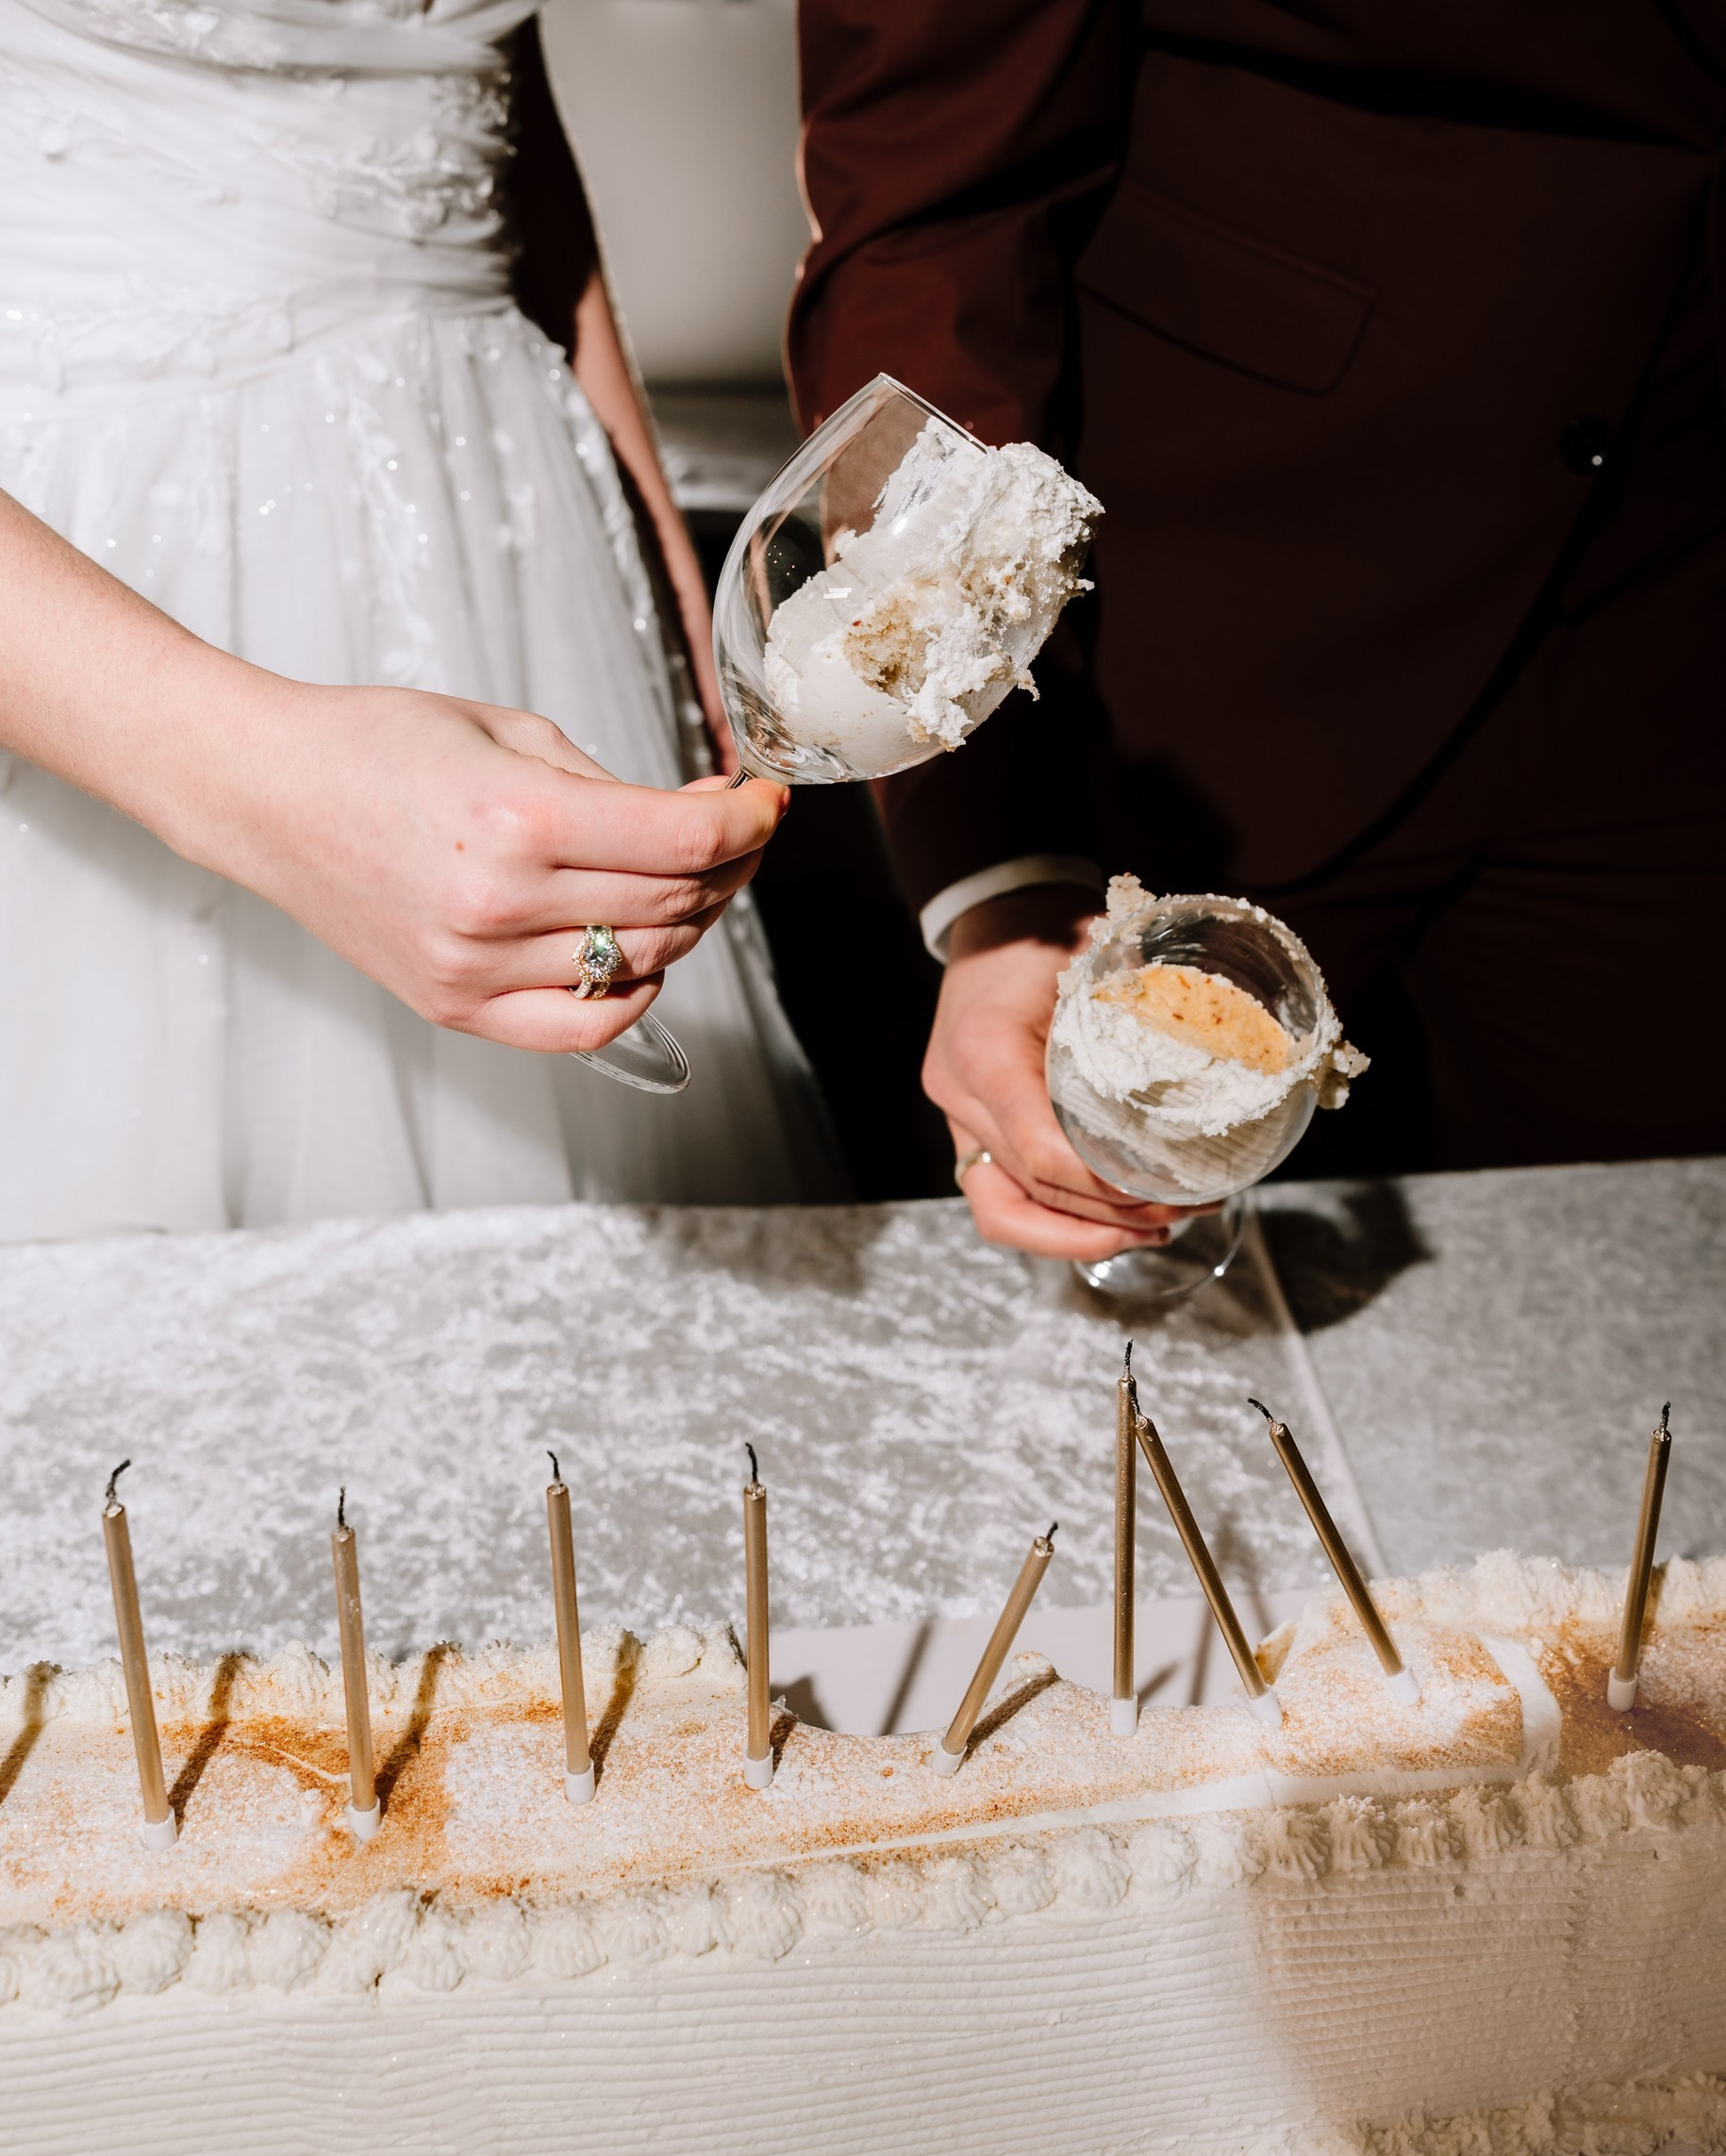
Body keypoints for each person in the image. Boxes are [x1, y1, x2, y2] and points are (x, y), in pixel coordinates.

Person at [789, 0, 1726, 1261]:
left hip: (1677, 656)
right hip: (1196, 640)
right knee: (1125, 1309)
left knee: (1649, 1317)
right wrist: (999, 866)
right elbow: (932, 199)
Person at [0, 1, 838, 1241]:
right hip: (106, 537)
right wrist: (257, 778)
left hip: (506, 506)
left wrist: (653, 548)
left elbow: (491, 115)